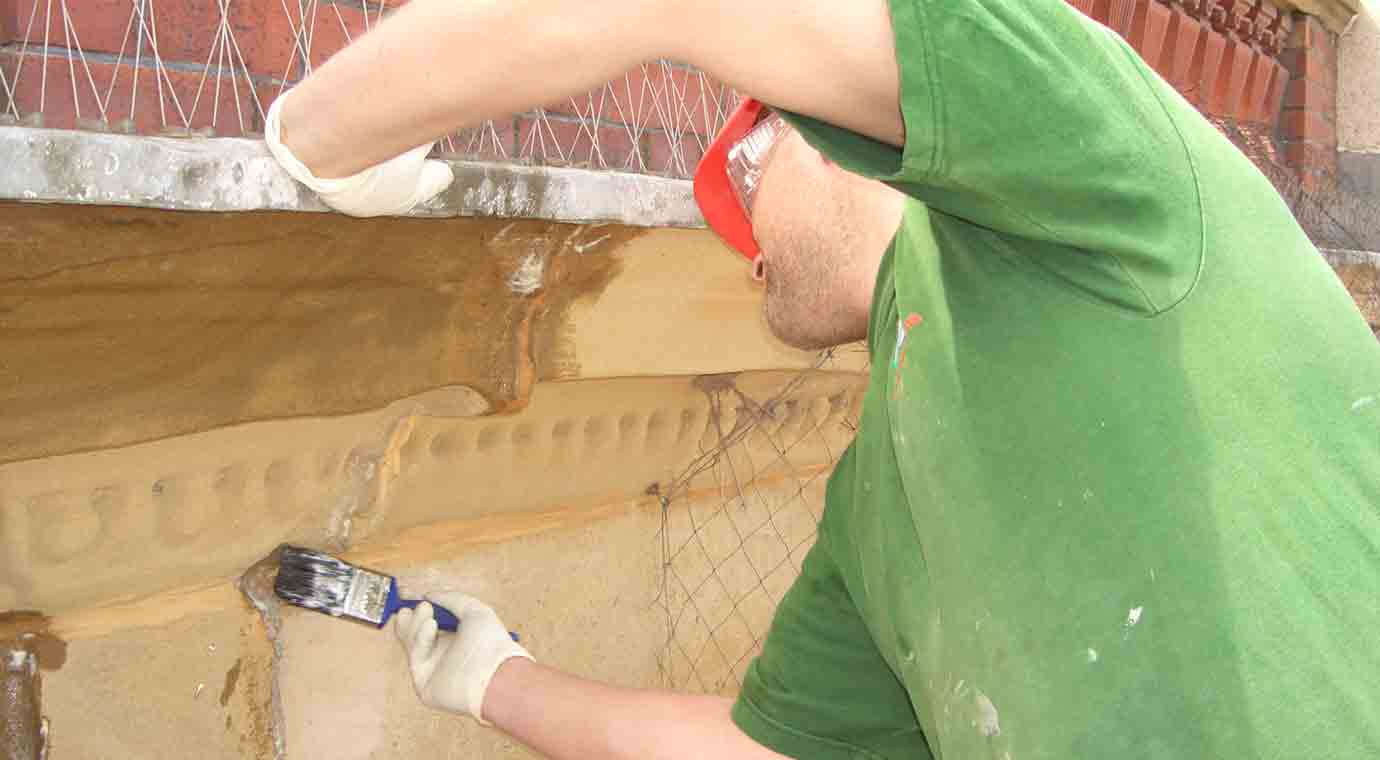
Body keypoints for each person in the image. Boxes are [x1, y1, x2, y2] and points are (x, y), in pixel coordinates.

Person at [264, 0, 1380, 757]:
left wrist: (323, 133)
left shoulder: (1097, 180)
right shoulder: (877, 503)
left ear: (822, 131)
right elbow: (757, 749)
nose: (742, 247)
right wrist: (489, 676)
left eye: (740, 177)